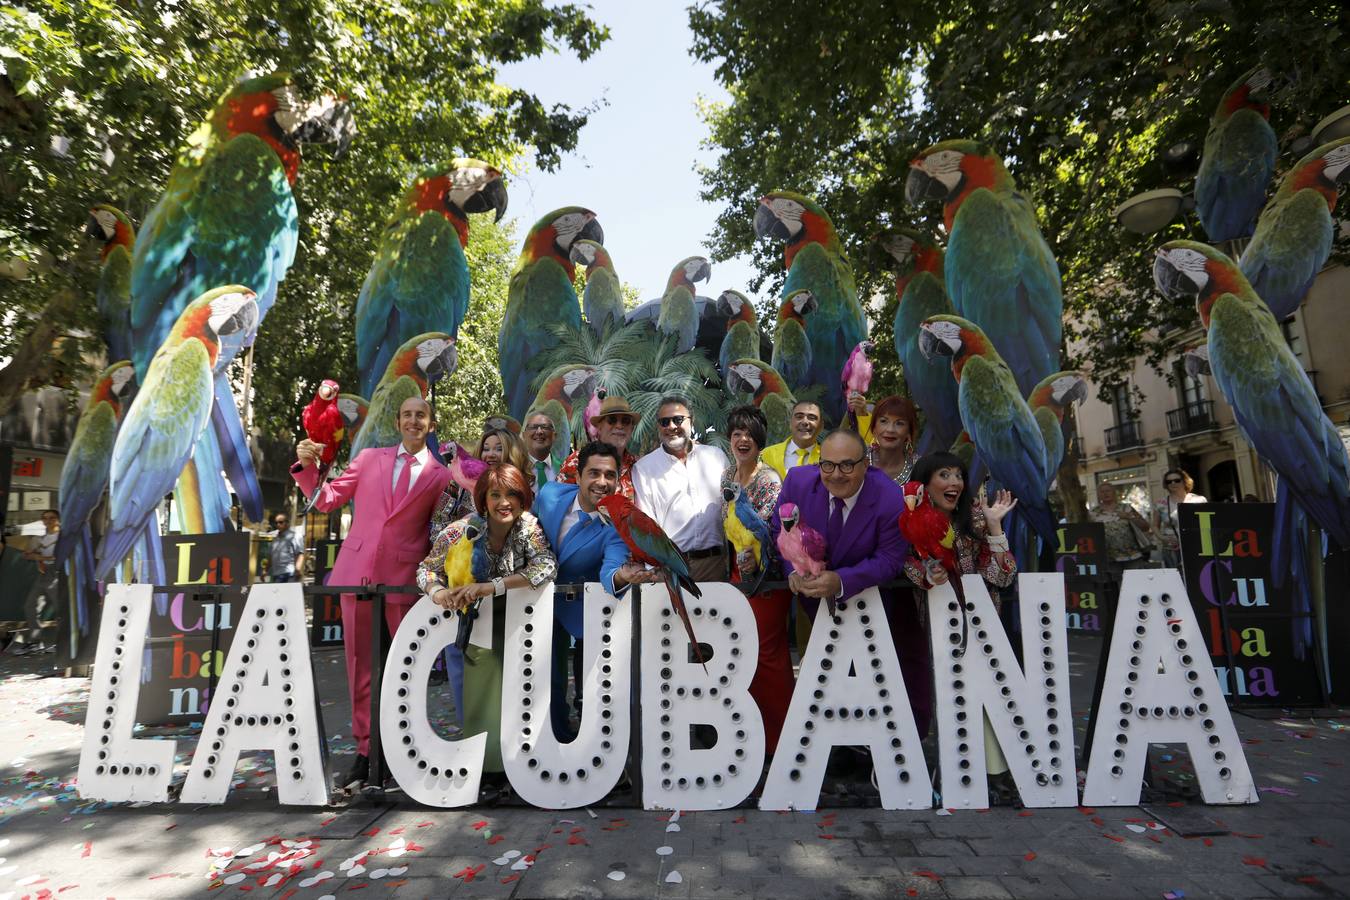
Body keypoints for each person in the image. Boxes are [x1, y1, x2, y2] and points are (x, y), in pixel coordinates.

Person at [293, 395, 452, 786]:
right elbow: (327, 500)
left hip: (404, 582)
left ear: (430, 425)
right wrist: (308, 465)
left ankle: (404, 749)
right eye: (408, 415)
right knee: (360, 668)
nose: (414, 421)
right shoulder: (368, 459)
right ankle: (364, 751)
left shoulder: (441, 477)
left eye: (421, 416)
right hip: (357, 575)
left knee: (406, 671)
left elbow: (443, 531)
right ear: (398, 421)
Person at [417, 463, 557, 787]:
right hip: (473, 629)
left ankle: (516, 774)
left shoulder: (529, 528)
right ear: (483, 499)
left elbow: (547, 564)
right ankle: (483, 775)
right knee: (477, 700)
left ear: (523, 499)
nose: (504, 502)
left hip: (516, 628)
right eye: (495, 495)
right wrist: (439, 593)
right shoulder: (461, 529)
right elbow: (427, 570)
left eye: (512, 494)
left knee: (517, 702)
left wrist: (493, 586)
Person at [902, 452, 1018, 793]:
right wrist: (927, 572)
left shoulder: (977, 521)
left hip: (983, 626)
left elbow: (1002, 575)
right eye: (944, 475)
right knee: (951, 695)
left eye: (958, 475)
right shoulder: (909, 523)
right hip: (938, 630)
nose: (954, 482)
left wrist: (996, 527)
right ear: (925, 483)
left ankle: (996, 769)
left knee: (987, 692)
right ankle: (955, 769)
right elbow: (906, 567)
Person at [534, 442, 661, 741]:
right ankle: (551, 743)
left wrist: (622, 576)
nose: (602, 482)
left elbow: (610, 571)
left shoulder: (615, 526)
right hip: (536, 605)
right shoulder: (550, 496)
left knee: (592, 686)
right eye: (594, 473)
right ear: (577, 476)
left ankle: (593, 747)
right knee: (543, 683)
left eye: (610, 475)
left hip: (581, 613)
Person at [720, 405, 793, 754]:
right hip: (738, 575)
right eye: (736, 433)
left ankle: (782, 741)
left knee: (767, 654)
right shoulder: (727, 478)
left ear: (760, 440)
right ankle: (753, 740)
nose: (742, 439)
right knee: (742, 654)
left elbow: (770, 537)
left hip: (768, 578)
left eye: (749, 433)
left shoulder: (769, 481)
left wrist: (752, 566)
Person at [771, 430, 910, 611]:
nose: (836, 475)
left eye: (847, 465)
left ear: (866, 465)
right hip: (810, 605)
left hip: (869, 608)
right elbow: (778, 531)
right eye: (828, 465)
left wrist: (842, 581)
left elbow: (890, 558)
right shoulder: (797, 483)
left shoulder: (891, 498)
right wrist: (794, 569)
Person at [632, 395, 729, 582]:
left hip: (715, 564)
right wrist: (654, 571)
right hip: (672, 570)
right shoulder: (644, 468)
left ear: (691, 421)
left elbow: (730, 510)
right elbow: (647, 524)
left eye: (678, 419)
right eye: (664, 422)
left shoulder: (715, 457)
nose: (671, 426)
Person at [559, 396, 640, 500]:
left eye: (625, 421)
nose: (619, 426)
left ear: (631, 429)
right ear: (599, 427)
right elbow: (560, 503)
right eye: (612, 420)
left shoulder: (636, 466)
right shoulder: (576, 461)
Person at [1090, 481, 1154, 599]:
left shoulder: (1126, 508)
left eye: (1108, 490)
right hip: (1109, 557)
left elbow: (1145, 526)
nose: (1105, 494)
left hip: (1133, 555)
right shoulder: (1093, 513)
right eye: (1102, 491)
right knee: (1117, 589)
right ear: (1098, 495)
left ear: (1114, 493)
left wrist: (1130, 517)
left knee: (1137, 586)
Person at [13, 510, 61, 655]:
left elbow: (60, 557)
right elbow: (25, 555)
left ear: (58, 520)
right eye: (45, 518)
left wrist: (38, 556)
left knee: (61, 610)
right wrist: (41, 557)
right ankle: (35, 642)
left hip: (58, 575)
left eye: (52, 518)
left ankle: (62, 643)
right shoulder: (38, 539)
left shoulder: (63, 538)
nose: (48, 521)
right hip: (43, 574)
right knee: (30, 606)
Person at [1153, 469, 1207, 568]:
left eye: (1177, 480)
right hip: (1172, 549)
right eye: (1169, 481)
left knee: (1196, 576)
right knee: (1175, 578)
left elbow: (1207, 524)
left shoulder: (1199, 500)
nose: (1173, 483)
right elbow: (1154, 525)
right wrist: (1162, 538)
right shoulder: (1160, 504)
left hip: (1195, 547)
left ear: (1184, 481)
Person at [761, 400, 824, 478]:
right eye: (799, 417)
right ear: (790, 422)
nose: (805, 422)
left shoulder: (827, 457)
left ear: (821, 426)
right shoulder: (766, 454)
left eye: (811, 418)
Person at [868, 396, 920, 485]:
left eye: (899, 423)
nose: (890, 429)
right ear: (874, 429)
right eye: (884, 421)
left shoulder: (920, 468)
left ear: (909, 432)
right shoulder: (858, 459)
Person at [523, 410, 566, 487]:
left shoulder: (565, 469)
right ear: (524, 436)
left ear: (554, 436)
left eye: (545, 427)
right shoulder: (514, 468)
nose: (539, 432)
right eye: (534, 427)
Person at [267, 513, 306, 583]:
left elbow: (300, 554)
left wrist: (298, 569)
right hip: (276, 573)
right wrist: (265, 571)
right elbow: (271, 556)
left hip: (289, 573)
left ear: (287, 523)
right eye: (276, 523)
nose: (278, 525)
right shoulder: (275, 540)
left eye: (281, 522)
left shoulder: (295, 536)